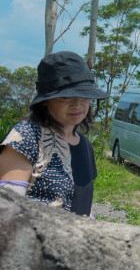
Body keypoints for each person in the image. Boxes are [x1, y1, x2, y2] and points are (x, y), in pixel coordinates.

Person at [0, 51, 108, 215]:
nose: (77, 105)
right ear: (45, 101)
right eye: (66, 97)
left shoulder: (84, 145)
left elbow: (81, 203)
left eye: (84, 96)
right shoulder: (25, 136)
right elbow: (6, 209)